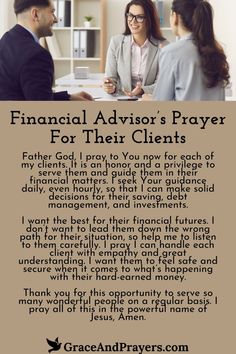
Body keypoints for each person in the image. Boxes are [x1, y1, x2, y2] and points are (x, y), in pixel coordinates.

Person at [0, 0, 93, 101]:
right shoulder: (37, 55)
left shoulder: (5, 40)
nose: (56, 19)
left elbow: (30, 96)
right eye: (52, 12)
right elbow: (43, 111)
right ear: (35, 14)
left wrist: (68, 97)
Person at [153, 0, 230, 101]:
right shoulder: (217, 52)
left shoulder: (171, 53)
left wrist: (148, 99)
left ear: (175, 17)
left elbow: (160, 103)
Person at [104, 0, 168, 97]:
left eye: (139, 17)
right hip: (122, 100)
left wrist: (143, 90)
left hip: (150, 101)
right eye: (130, 15)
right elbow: (111, 78)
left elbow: (163, 83)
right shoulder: (116, 42)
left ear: (149, 19)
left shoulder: (163, 46)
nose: (133, 21)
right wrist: (110, 87)